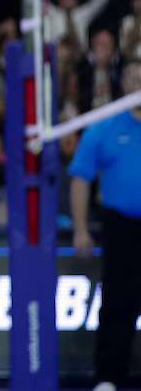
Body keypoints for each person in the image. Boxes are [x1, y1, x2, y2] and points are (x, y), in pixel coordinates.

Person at [69, 62, 141, 391]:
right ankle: (108, 378)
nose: (138, 83)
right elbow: (81, 177)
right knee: (117, 303)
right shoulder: (105, 126)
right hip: (121, 227)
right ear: (123, 83)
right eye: (133, 78)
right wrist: (81, 228)